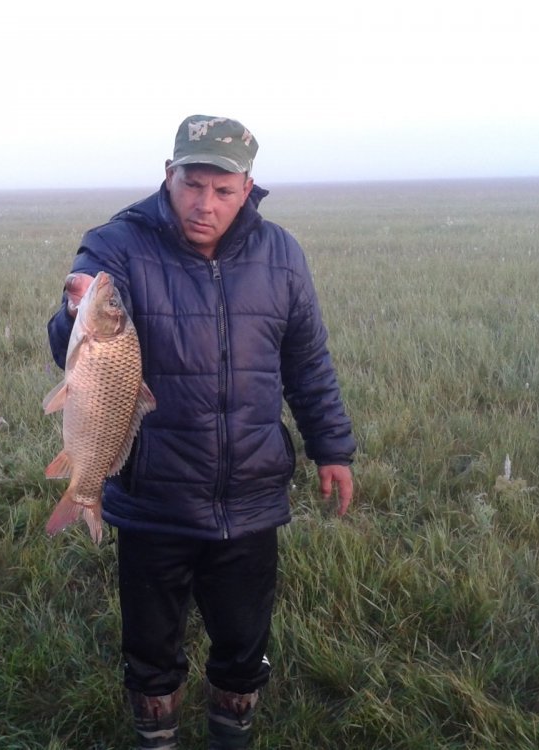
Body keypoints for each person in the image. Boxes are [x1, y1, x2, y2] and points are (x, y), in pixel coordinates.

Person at [46, 115, 356, 749]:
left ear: (247, 187)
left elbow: (307, 362)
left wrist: (332, 448)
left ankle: (231, 734)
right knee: (151, 647)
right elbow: (71, 345)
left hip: (250, 494)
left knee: (243, 644)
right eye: (192, 185)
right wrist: (74, 307)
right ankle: (157, 738)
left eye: (222, 190)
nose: (203, 205)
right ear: (169, 174)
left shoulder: (281, 255)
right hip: (156, 496)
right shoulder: (119, 244)